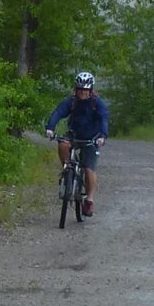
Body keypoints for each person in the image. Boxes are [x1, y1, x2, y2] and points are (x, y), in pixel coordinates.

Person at [46, 70, 109, 217]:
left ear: (90, 90)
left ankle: (89, 200)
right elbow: (58, 112)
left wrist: (102, 136)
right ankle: (67, 168)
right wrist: (50, 128)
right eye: (80, 89)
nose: (82, 93)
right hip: (74, 134)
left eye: (85, 90)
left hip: (91, 138)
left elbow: (104, 119)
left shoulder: (97, 103)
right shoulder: (71, 101)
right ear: (76, 89)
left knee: (88, 169)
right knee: (62, 144)